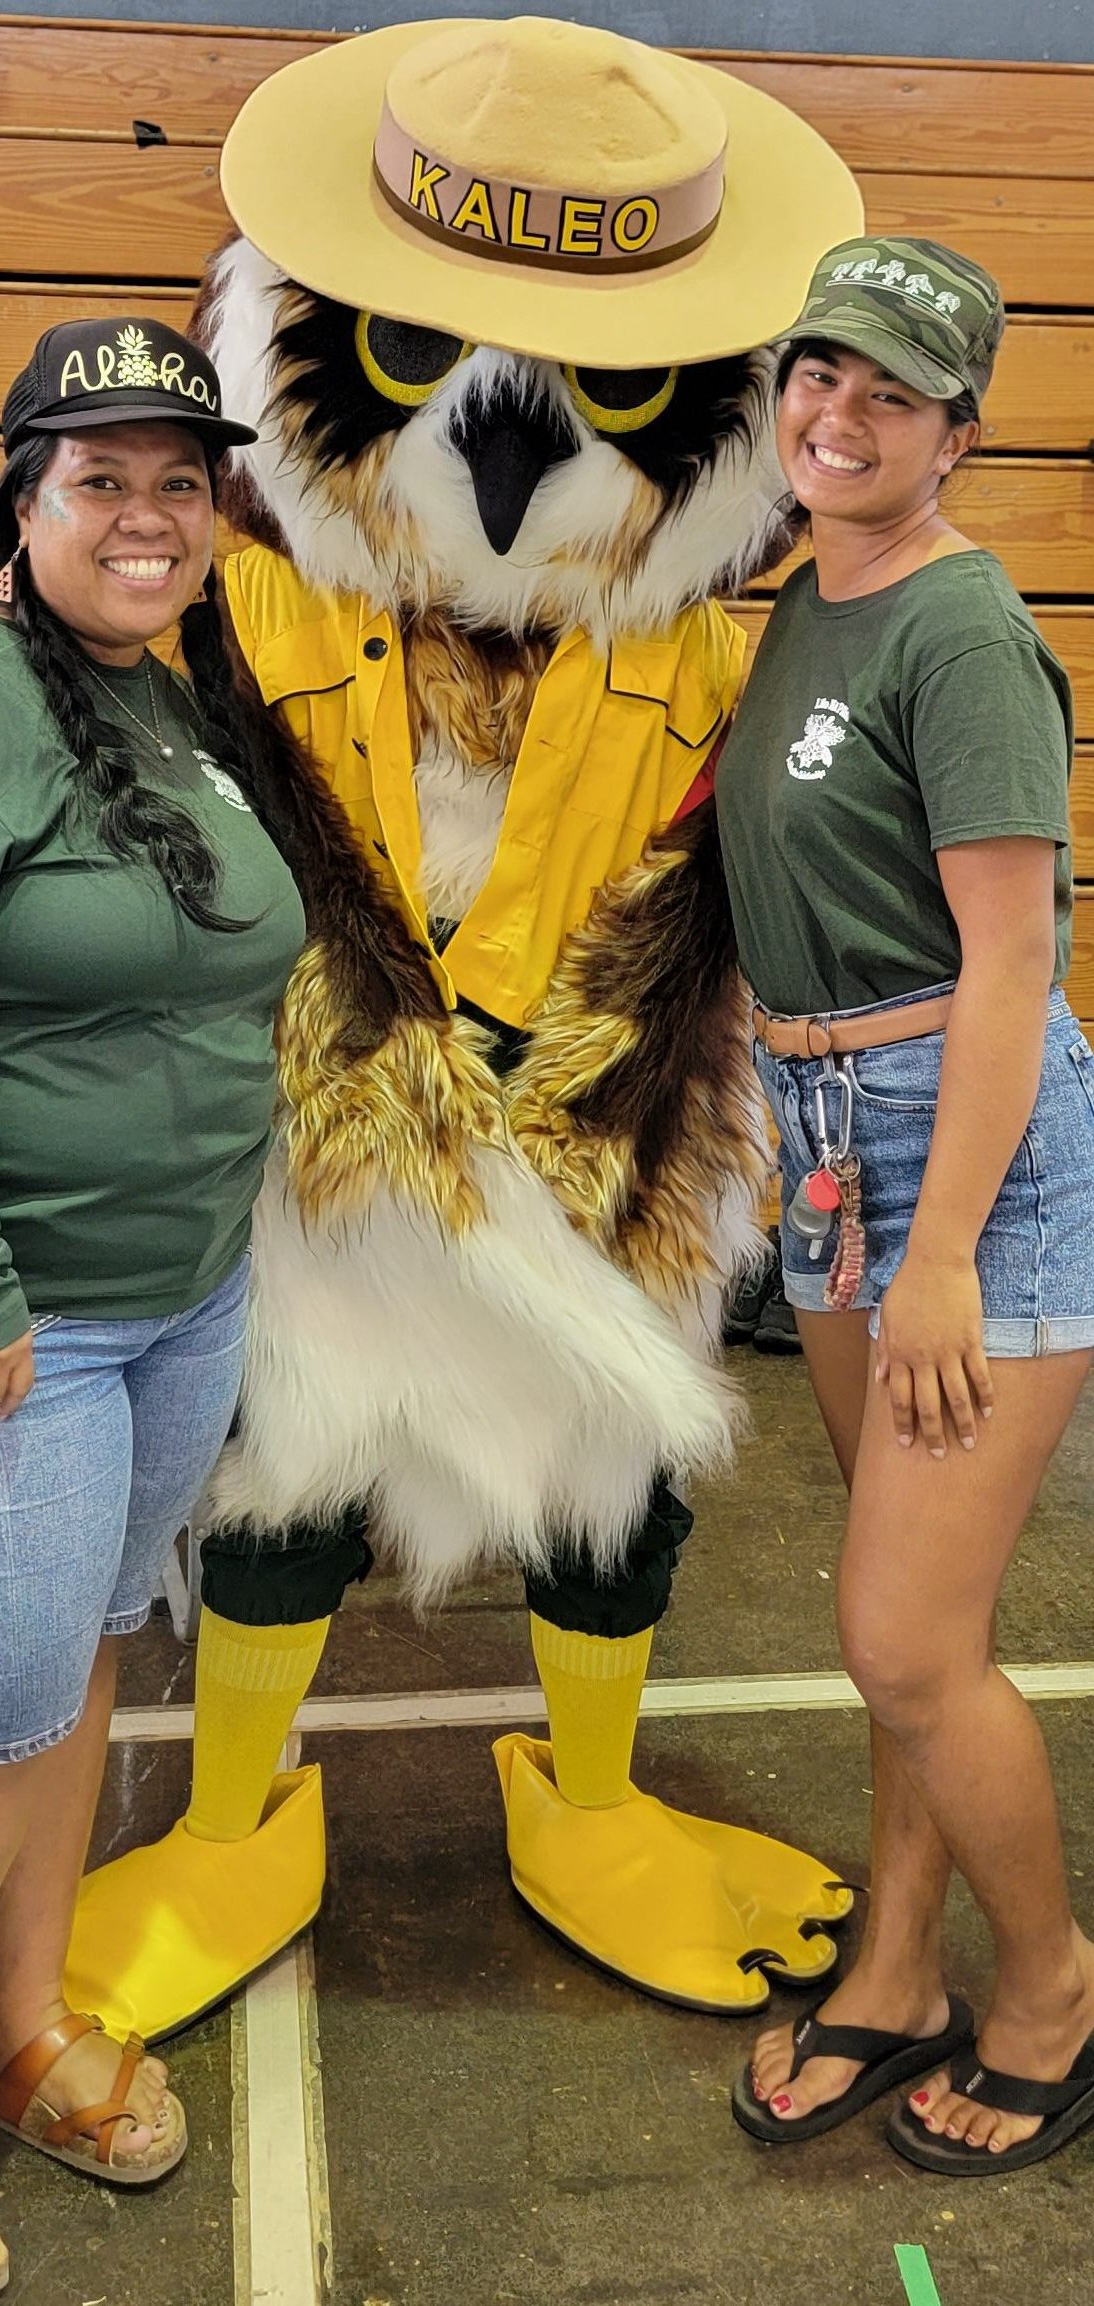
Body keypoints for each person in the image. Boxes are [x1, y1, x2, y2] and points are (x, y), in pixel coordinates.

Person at [0, 317, 305, 2300]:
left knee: (85, 1662)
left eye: (181, 480)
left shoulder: (161, 694)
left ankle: (17, 2028)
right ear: (19, 502)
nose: (149, 513)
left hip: (174, 1294)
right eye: (101, 477)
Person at [718, 237, 1094, 2177]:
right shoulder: (808, 597)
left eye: (886, 391)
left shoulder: (958, 630)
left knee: (900, 1639)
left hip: (958, 1140)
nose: (836, 415)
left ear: (959, 427)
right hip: (827, 1125)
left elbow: (1016, 962)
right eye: (815, 376)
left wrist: (944, 1240)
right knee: (904, 1623)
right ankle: (894, 1965)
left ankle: (1044, 1988)